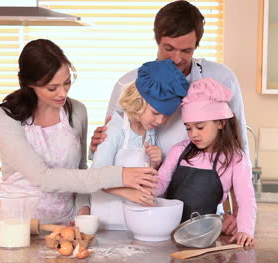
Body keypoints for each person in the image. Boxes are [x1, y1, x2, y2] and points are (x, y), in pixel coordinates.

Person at [90, 0, 249, 235]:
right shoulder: (128, 84)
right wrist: (95, 146)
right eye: (168, 48)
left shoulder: (221, 78)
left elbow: (237, 148)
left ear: (197, 45)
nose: (176, 58)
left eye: (186, 50)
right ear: (157, 40)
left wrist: (238, 213)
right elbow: (105, 157)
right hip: (147, 208)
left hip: (200, 212)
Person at [0, 39, 158, 224]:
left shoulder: (77, 111)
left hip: (63, 225)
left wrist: (82, 210)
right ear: (29, 84)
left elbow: (79, 171)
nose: (62, 93)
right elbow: (43, 178)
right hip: (15, 223)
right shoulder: (5, 118)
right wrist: (120, 175)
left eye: (67, 83)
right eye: (52, 88)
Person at [155, 78, 256, 246]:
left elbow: (246, 198)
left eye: (200, 127)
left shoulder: (235, 159)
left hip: (205, 236)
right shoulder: (179, 151)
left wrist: (245, 230)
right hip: (170, 231)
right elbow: (161, 182)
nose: (193, 134)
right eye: (188, 128)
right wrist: (144, 190)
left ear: (221, 123)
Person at [90, 59, 188, 230]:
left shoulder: (150, 131)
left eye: (166, 116)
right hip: (107, 224)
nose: (160, 121)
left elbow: (148, 178)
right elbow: (95, 178)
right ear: (138, 100)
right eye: (156, 113)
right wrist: (129, 193)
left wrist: (156, 163)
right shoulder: (114, 129)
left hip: (135, 224)